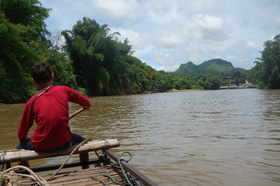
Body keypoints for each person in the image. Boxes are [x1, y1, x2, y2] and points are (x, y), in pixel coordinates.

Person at [17, 62, 91, 151]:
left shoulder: (31, 101)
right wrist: (85, 106)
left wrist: (23, 141)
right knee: (83, 141)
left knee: (19, 148)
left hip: (40, 146)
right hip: (65, 142)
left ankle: (22, 165)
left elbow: (22, 130)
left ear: (34, 81)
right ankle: (85, 165)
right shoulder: (64, 90)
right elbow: (87, 102)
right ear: (52, 76)